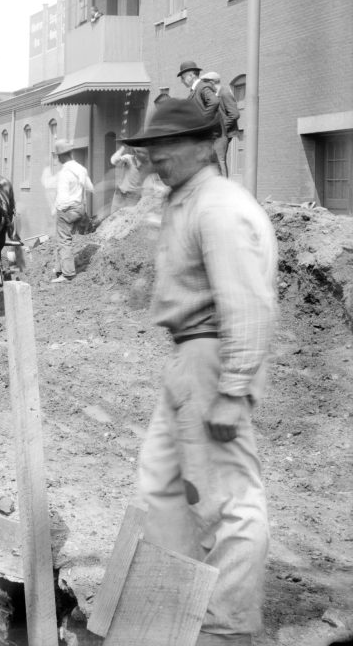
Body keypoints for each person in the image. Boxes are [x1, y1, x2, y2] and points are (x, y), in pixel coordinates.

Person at [120, 97, 277, 646]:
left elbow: (249, 304)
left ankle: (227, 627)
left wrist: (233, 391)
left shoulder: (219, 206)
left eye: (168, 145)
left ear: (205, 145)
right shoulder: (186, 200)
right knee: (162, 481)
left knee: (227, 499)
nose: (156, 157)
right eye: (151, 147)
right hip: (189, 356)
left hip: (214, 358)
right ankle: (175, 609)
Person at [46, 140, 93, 283]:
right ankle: (59, 268)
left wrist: (58, 210)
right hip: (79, 208)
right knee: (63, 239)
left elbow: (63, 196)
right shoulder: (81, 169)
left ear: (60, 156)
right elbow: (90, 188)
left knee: (64, 240)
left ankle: (67, 274)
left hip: (67, 209)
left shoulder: (64, 172)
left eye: (57, 156)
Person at [200, 70, 241, 177]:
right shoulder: (215, 94)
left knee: (220, 160)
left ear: (212, 83)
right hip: (217, 134)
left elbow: (234, 114)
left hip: (223, 134)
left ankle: (224, 187)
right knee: (214, 162)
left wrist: (222, 128)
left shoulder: (225, 93)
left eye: (205, 83)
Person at [109, 142, 151, 213]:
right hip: (120, 195)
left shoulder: (147, 164)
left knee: (128, 220)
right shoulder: (129, 159)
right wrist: (123, 148)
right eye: (137, 151)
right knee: (112, 219)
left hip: (133, 198)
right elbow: (114, 161)